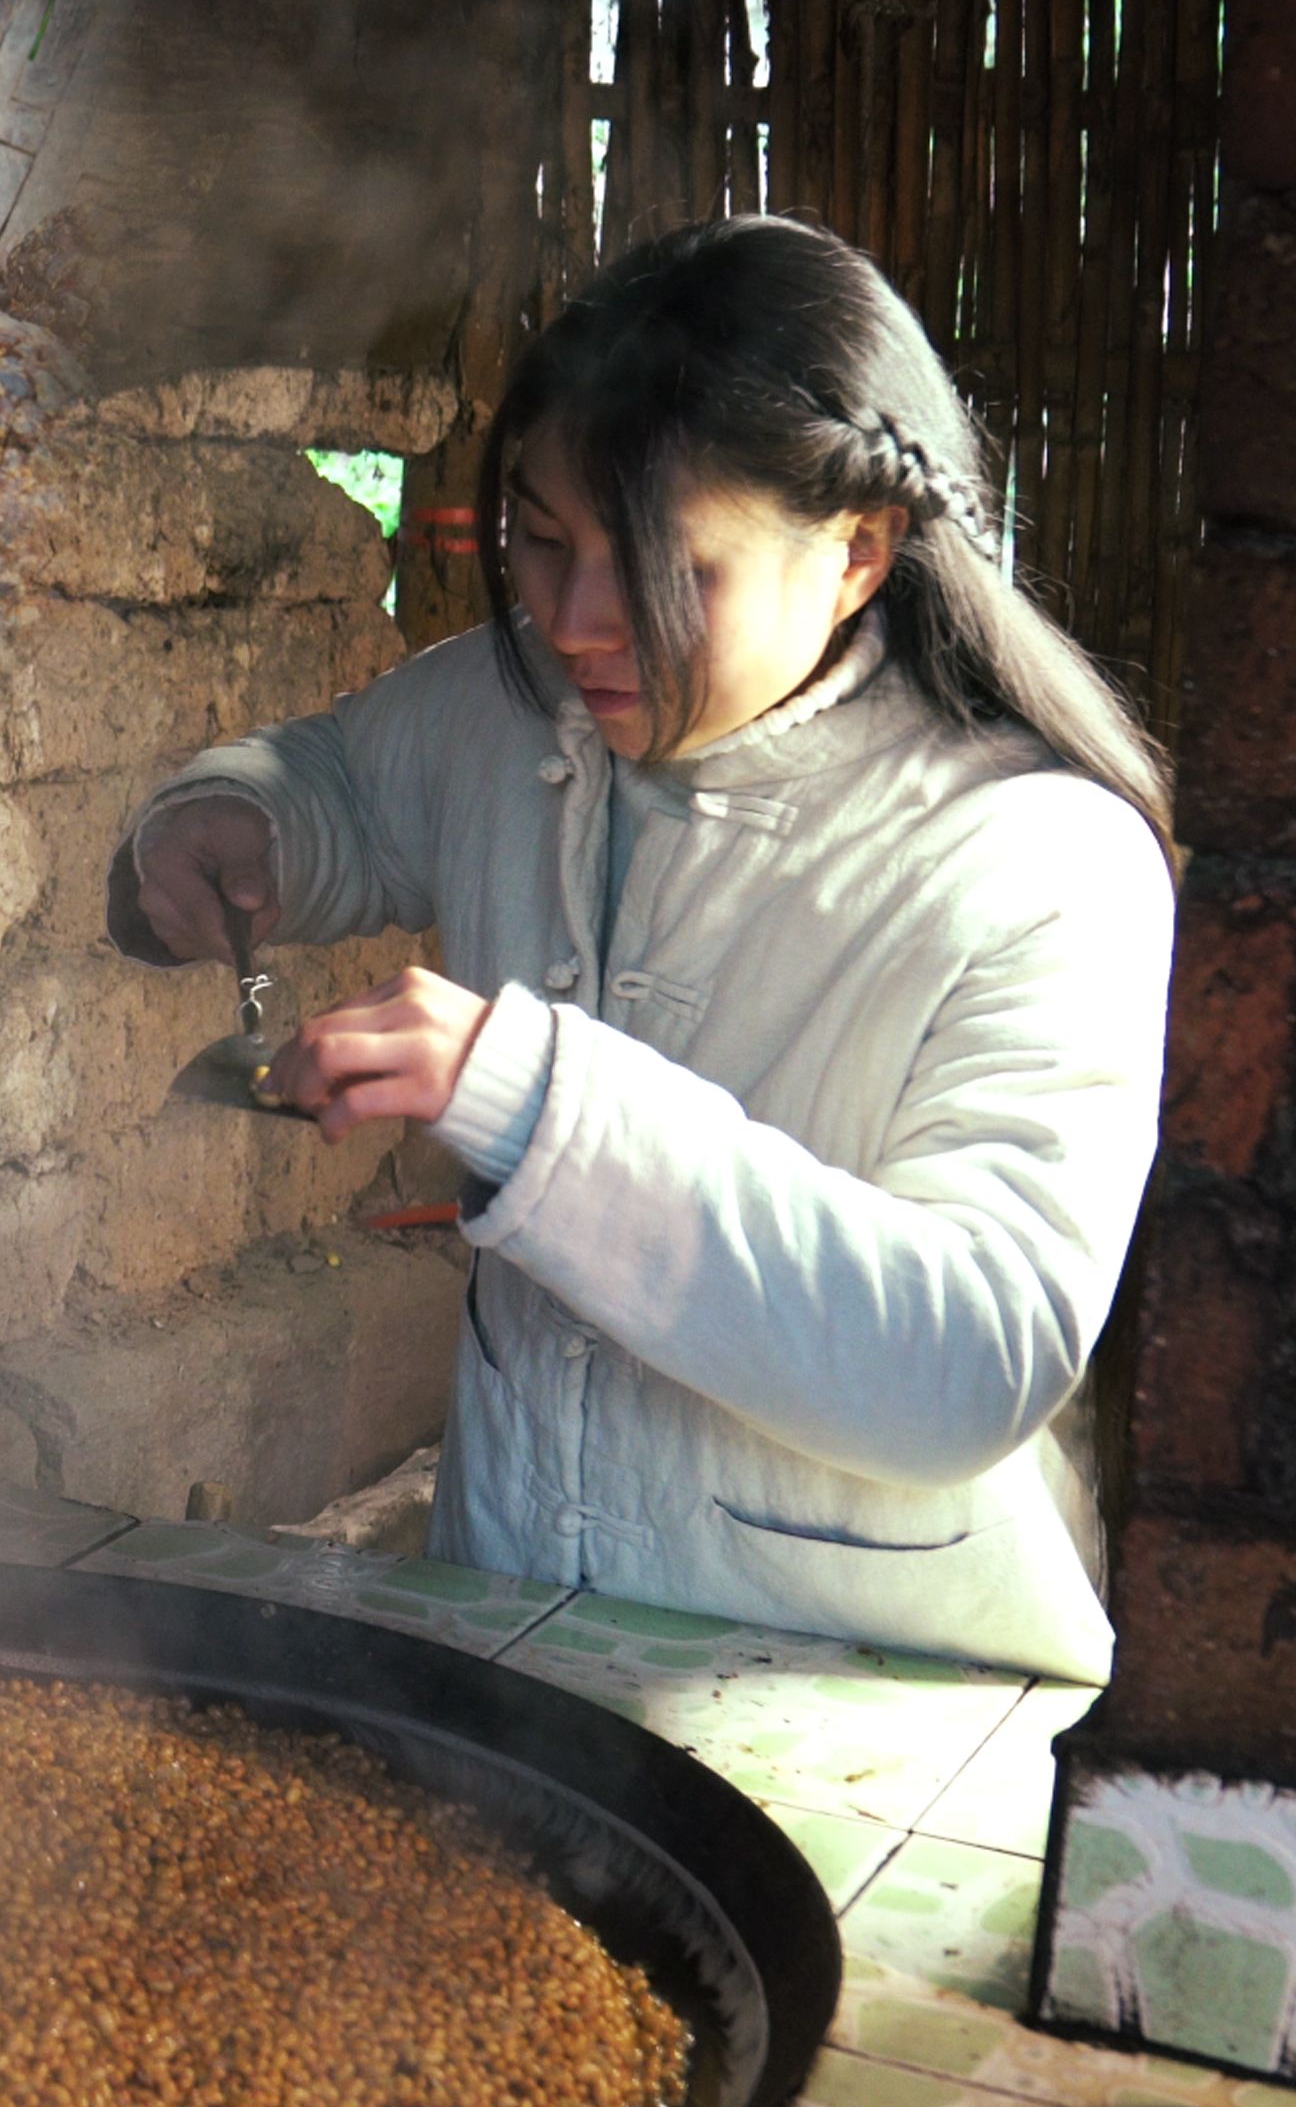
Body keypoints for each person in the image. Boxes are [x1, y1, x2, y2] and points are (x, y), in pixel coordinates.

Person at [109, 215, 1173, 1684]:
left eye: (670, 570)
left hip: (856, 1687)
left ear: (858, 555)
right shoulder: (510, 706)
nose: (576, 621)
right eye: (542, 542)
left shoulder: (1039, 861)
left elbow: (970, 1357)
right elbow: (344, 779)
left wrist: (533, 1097)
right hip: (515, 1619)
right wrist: (235, 819)